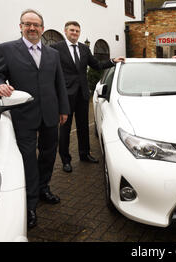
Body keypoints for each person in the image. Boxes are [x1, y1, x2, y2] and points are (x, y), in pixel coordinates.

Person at [0, 9, 70, 229]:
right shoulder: (6, 49)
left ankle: (44, 188)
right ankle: (30, 203)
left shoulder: (52, 54)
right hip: (23, 114)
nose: (32, 28)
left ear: (42, 28)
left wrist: (64, 109)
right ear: (21, 26)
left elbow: (59, 83)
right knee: (27, 159)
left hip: (51, 113)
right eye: (27, 24)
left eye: (36, 25)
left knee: (48, 154)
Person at [51, 21, 125, 173]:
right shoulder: (55, 48)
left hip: (83, 94)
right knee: (65, 129)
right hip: (65, 95)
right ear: (65, 31)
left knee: (83, 127)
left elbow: (96, 65)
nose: (75, 33)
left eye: (77, 31)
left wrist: (112, 62)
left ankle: (84, 154)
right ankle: (66, 160)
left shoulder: (84, 48)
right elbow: (52, 71)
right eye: (72, 30)